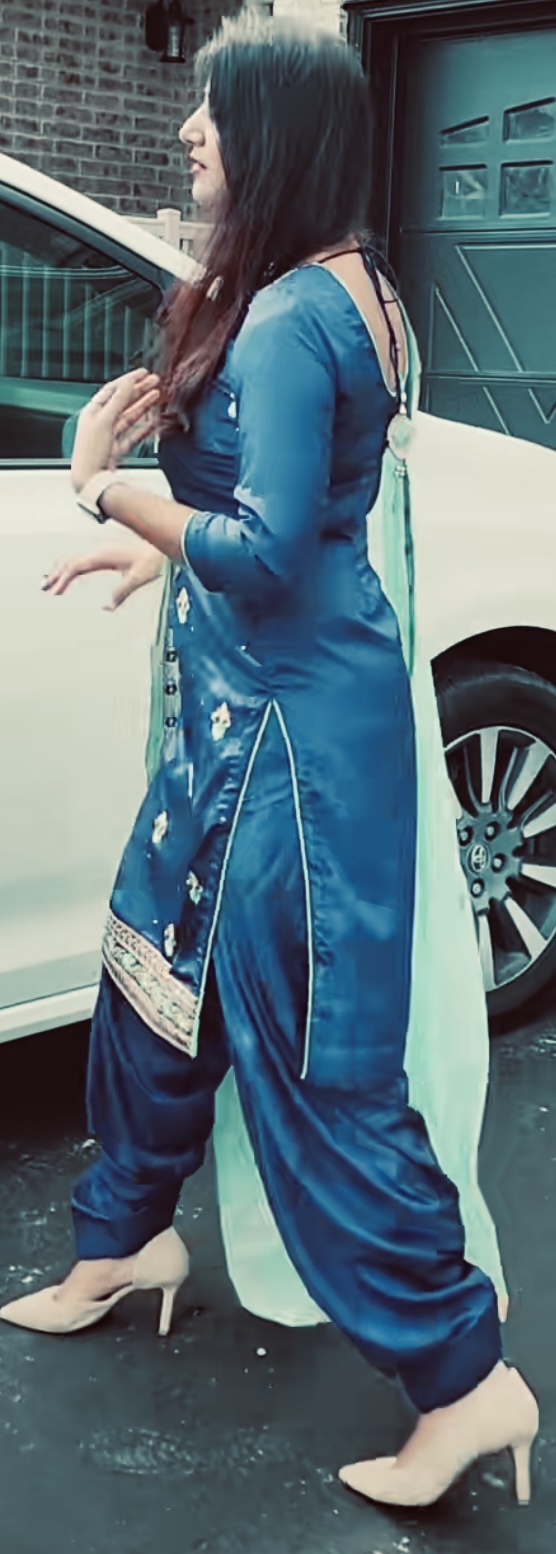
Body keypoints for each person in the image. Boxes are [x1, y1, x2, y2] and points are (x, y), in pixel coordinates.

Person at [1, 13, 537, 1510]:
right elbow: (297, 516)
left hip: (287, 758)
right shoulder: (338, 285)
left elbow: (268, 545)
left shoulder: (297, 317)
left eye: (214, 113)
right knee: (149, 980)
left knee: (317, 1068)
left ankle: (466, 1380)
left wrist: (108, 496)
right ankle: (121, 1241)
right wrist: (159, 557)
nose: (189, 134)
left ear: (277, 140)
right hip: (250, 724)